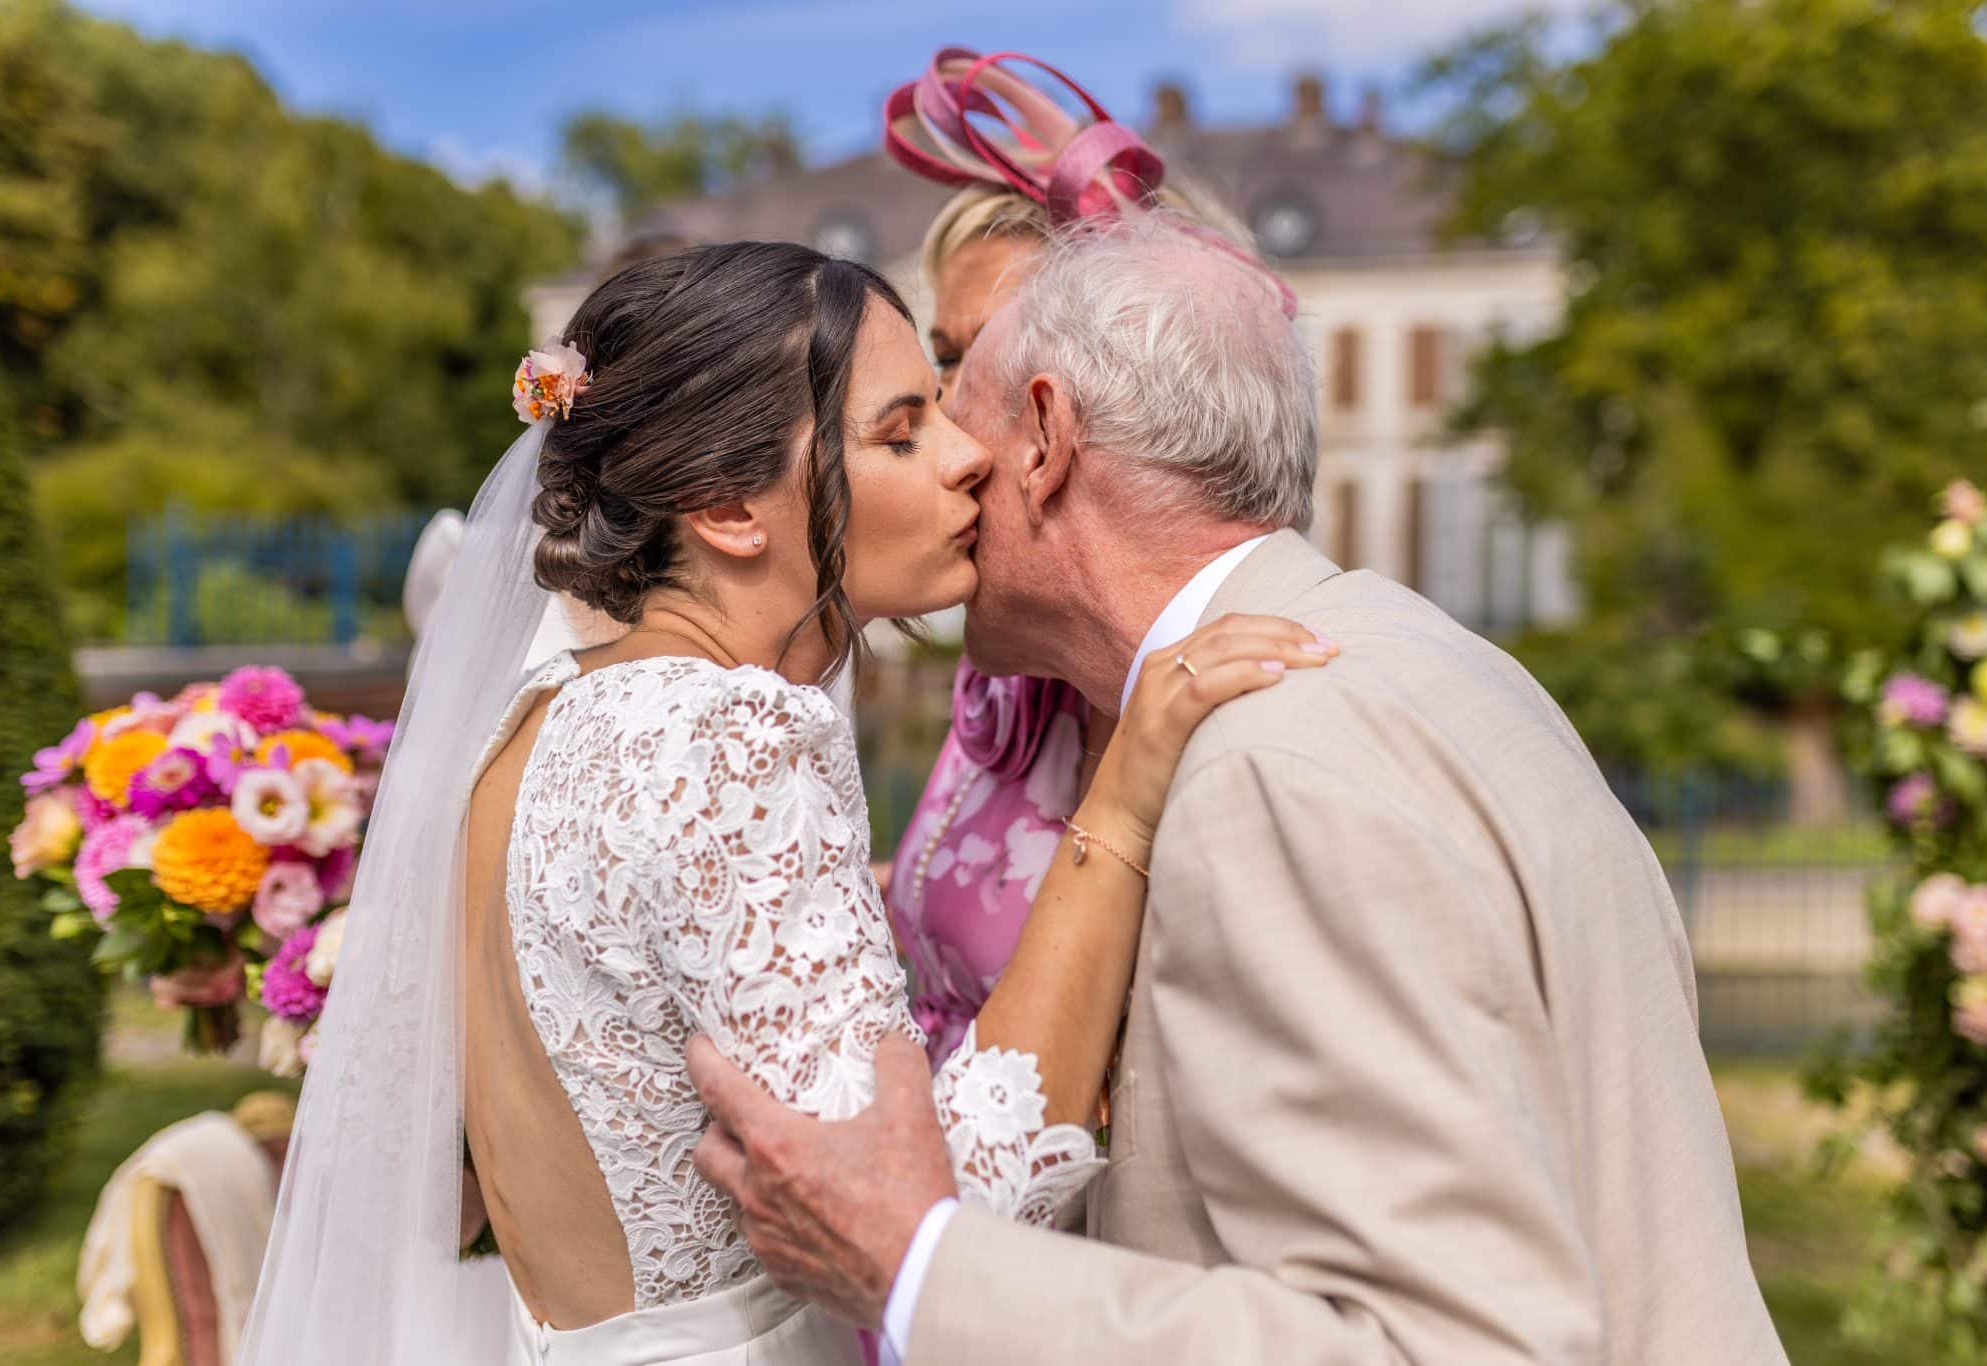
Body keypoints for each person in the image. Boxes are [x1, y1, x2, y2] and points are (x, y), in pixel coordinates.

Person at [687, 213, 1791, 1364]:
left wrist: (918, 1266)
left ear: (1046, 438)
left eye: (957, 409)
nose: (951, 469)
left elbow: (1444, 1343)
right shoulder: (1441, 667)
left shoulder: (1267, 764)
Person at [237, 240, 1329, 1366]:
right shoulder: (728, 739)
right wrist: (1124, 799)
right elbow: (939, 1214)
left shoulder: (539, 719)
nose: (968, 459)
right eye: (900, 432)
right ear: (724, 507)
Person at [878, 48, 1258, 1066]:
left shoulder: (1243, 713)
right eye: (946, 360)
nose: (950, 426)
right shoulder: (1006, 677)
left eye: (993, 358)